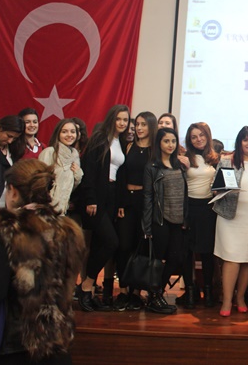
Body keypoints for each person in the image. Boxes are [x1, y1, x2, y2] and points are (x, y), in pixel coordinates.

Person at [0, 159, 86, 365]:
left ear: (13, 191)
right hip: (57, 343)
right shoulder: (68, 230)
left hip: (16, 346)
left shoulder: (6, 230)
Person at [77, 104, 129, 312]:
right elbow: (88, 171)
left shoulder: (121, 142)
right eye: (119, 119)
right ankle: (86, 285)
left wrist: (120, 204)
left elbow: (121, 175)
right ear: (111, 119)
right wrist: (90, 199)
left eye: (125, 120)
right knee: (111, 242)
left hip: (112, 196)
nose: (122, 123)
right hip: (97, 195)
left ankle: (87, 292)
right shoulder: (99, 138)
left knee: (101, 244)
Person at [213, 127, 248, 316]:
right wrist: (219, 189)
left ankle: (240, 297)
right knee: (231, 258)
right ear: (239, 142)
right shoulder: (227, 161)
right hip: (231, 218)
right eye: (245, 140)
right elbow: (215, 187)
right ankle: (227, 300)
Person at [111, 112, 157, 311]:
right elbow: (121, 176)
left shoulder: (155, 150)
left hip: (146, 203)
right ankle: (122, 290)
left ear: (151, 127)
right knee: (123, 246)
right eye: (137, 124)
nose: (139, 128)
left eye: (143, 124)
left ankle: (136, 293)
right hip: (127, 201)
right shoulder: (128, 146)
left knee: (141, 247)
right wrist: (120, 203)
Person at [142, 128, 188, 314]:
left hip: (179, 220)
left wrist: (185, 218)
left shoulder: (180, 165)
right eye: (166, 141)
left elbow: (185, 194)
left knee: (175, 258)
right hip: (160, 221)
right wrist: (147, 226)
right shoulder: (152, 167)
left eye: (173, 141)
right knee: (157, 261)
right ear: (159, 143)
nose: (170, 145)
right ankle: (154, 296)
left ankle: (157, 292)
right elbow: (148, 197)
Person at [181, 122, 220, 308]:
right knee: (187, 252)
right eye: (194, 137)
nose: (198, 139)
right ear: (189, 140)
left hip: (208, 209)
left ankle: (208, 292)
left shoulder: (215, 158)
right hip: (188, 208)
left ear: (208, 136)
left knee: (207, 253)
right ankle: (190, 291)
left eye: (202, 135)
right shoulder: (184, 158)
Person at [38, 118, 83, 215]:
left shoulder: (74, 155)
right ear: (58, 134)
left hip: (62, 210)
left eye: (72, 132)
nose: (69, 135)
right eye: (64, 132)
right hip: (46, 208)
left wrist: (78, 174)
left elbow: (71, 186)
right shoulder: (49, 152)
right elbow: (40, 182)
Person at [0, 116, 25, 206]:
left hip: (7, 204)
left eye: (14, 138)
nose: (10, 141)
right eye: (9, 136)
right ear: (0, 128)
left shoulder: (14, 150)